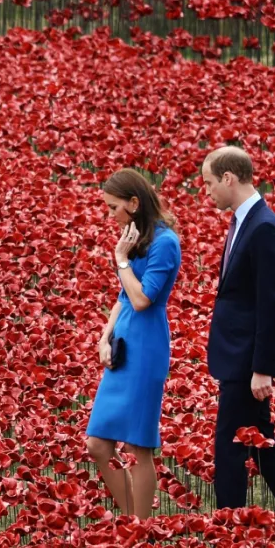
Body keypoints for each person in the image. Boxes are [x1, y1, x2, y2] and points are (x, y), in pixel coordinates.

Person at [201, 147, 275, 512]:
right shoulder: (242, 222)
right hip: (236, 353)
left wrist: (262, 367)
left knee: (230, 444)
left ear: (228, 178)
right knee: (261, 443)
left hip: (246, 359)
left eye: (209, 184)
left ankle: (227, 525)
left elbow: (271, 302)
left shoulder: (264, 226)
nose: (207, 193)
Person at [85, 169, 182, 520]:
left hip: (146, 346)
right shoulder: (134, 237)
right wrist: (104, 338)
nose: (111, 215)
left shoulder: (164, 242)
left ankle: (140, 529)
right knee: (97, 444)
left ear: (134, 203)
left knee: (139, 447)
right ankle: (134, 522)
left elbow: (142, 299)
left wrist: (121, 260)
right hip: (124, 339)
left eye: (114, 208)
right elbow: (122, 298)